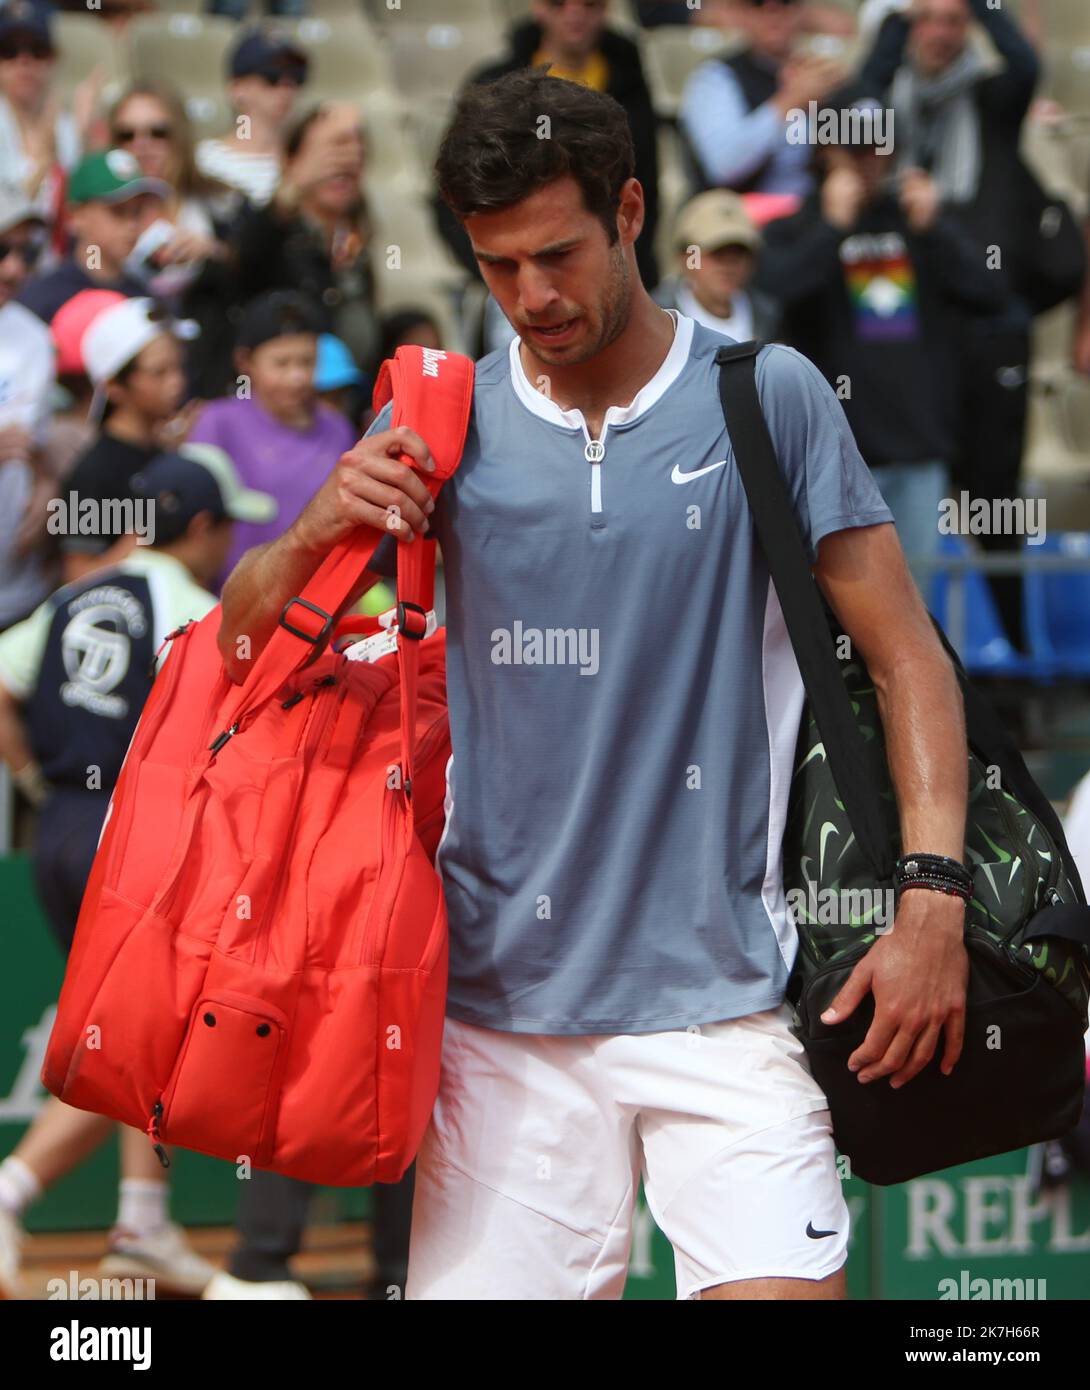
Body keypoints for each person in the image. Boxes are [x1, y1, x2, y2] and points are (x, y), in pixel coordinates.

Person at [218, 69, 973, 1301]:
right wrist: (311, 534)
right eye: (496, 266)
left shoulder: (765, 395)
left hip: (728, 1005)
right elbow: (240, 657)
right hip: (496, 1021)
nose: (532, 296)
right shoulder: (441, 422)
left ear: (630, 212)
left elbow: (907, 658)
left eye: (557, 254)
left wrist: (930, 901)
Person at [0, 444, 275, 1300]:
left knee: (143, 1038)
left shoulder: (73, 595)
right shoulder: (201, 608)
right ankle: (12, 1193)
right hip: (136, 848)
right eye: (227, 529)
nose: (232, 546)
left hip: (57, 836)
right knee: (134, 1043)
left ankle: (144, 1219)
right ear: (200, 529)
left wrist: (33, 780)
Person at [757, 93, 1006, 600]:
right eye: (854, 149)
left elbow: (993, 296)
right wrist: (831, 229)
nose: (869, 161)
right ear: (827, 153)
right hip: (834, 453)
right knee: (836, 613)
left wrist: (936, 233)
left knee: (916, 610)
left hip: (918, 446)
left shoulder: (921, 225)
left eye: (878, 149)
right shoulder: (798, 226)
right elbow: (774, 295)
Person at [859, 0, 1042, 646]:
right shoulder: (885, 106)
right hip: (909, 320)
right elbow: (857, 99)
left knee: (995, 500)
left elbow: (1025, 64)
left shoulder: (991, 102)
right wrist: (892, 28)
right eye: (926, 19)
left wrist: (988, 7)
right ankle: (903, 656)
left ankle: (1015, 664)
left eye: (952, 20)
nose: (939, 33)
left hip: (987, 323)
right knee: (904, 479)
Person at [448, 0, 660, 290]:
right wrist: (499, 269)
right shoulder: (493, 85)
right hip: (518, 278)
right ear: (537, 7)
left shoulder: (632, 84)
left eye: (590, 4)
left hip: (613, 271)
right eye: (558, 3)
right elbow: (456, 189)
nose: (574, 14)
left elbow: (646, 183)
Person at [186, 290, 353, 591]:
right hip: (234, 601)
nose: (297, 377)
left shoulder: (336, 427)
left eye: (307, 361)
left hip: (317, 604)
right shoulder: (217, 423)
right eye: (281, 363)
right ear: (245, 362)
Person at [107, 80, 239, 398]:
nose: (142, 144)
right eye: (128, 135)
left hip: (212, 379)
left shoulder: (221, 205)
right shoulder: (97, 211)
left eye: (158, 132)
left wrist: (215, 253)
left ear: (178, 137)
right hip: (131, 388)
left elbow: (254, 276)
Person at [229, 102, 380, 371]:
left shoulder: (357, 234)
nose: (344, 161)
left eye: (351, 167)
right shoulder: (271, 227)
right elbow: (243, 263)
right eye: (329, 156)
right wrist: (295, 184)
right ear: (292, 161)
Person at [56, 294, 189, 585]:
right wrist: (143, 539)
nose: (177, 382)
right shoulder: (92, 474)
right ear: (114, 385)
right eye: (159, 372)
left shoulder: (167, 448)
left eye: (178, 367)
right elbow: (75, 579)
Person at [678, 0, 844, 202]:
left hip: (813, 211)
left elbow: (871, 150)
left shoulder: (822, 75)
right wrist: (790, 100)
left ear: (802, 10)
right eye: (757, 3)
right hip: (739, 213)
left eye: (786, 2)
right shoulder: (715, 77)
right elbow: (726, 167)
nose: (772, 11)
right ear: (741, 13)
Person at [17, 148, 169, 326]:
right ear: (76, 216)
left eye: (137, 212)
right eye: (117, 210)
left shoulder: (146, 299)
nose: (131, 224)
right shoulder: (42, 298)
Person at [195, 26, 308, 214]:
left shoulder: (304, 162)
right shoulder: (204, 160)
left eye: (297, 78)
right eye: (272, 77)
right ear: (237, 88)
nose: (286, 87)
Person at [652, 188, 780, 342]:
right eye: (716, 252)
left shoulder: (767, 315)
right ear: (687, 257)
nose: (728, 265)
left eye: (738, 252)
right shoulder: (656, 317)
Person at [0, 1, 83, 226]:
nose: (23, 61)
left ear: (53, 60)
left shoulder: (67, 127)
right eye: (9, 51)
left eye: (37, 50)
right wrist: (45, 160)